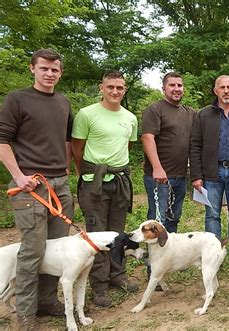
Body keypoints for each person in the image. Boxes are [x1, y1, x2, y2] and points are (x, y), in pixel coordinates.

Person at [0, 49, 73, 329]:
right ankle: (26, 313)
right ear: (33, 69)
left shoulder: (63, 102)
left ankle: (47, 301)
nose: (49, 73)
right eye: (44, 68)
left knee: (57, 248)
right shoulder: (17, 100)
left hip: (60, 185)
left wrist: (65, 169)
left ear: (60, 72)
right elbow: (2, 141)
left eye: (54, 69)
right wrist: (18, 176)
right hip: (30, 186)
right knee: (33, 250)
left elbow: (67, 139)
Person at [72, 70, 138, 308]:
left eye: (119, 88)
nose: (115, 92)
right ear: (101, 88)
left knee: (117, 233)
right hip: (94, 183)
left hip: (119, 182)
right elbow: (77, 149)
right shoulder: (86, 115)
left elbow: (127, 146)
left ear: (125, 90)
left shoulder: (130, 118)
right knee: (97, 235)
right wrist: (87, 176)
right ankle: (98, 286)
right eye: (110, 87)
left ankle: (117, 275)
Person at [190, 75, 229, 269]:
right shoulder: (203, 115)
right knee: (212, 215)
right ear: (215, 90)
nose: (226, 91)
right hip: (211, 172)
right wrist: (196, 175)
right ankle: (212, 254)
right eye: (222, 87)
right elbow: (195, 145)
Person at [141, 72, 195, 231]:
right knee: (157, 220)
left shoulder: (189, 113)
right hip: (160, 178)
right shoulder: (155, 109)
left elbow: (207, 123)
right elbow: (147, 138)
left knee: (174, 217)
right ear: (163, 88)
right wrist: (157, 168)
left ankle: (168, 254)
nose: (176, 89)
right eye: (172, 85)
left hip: (180, 176)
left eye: (179, 85)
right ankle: (153, 254)